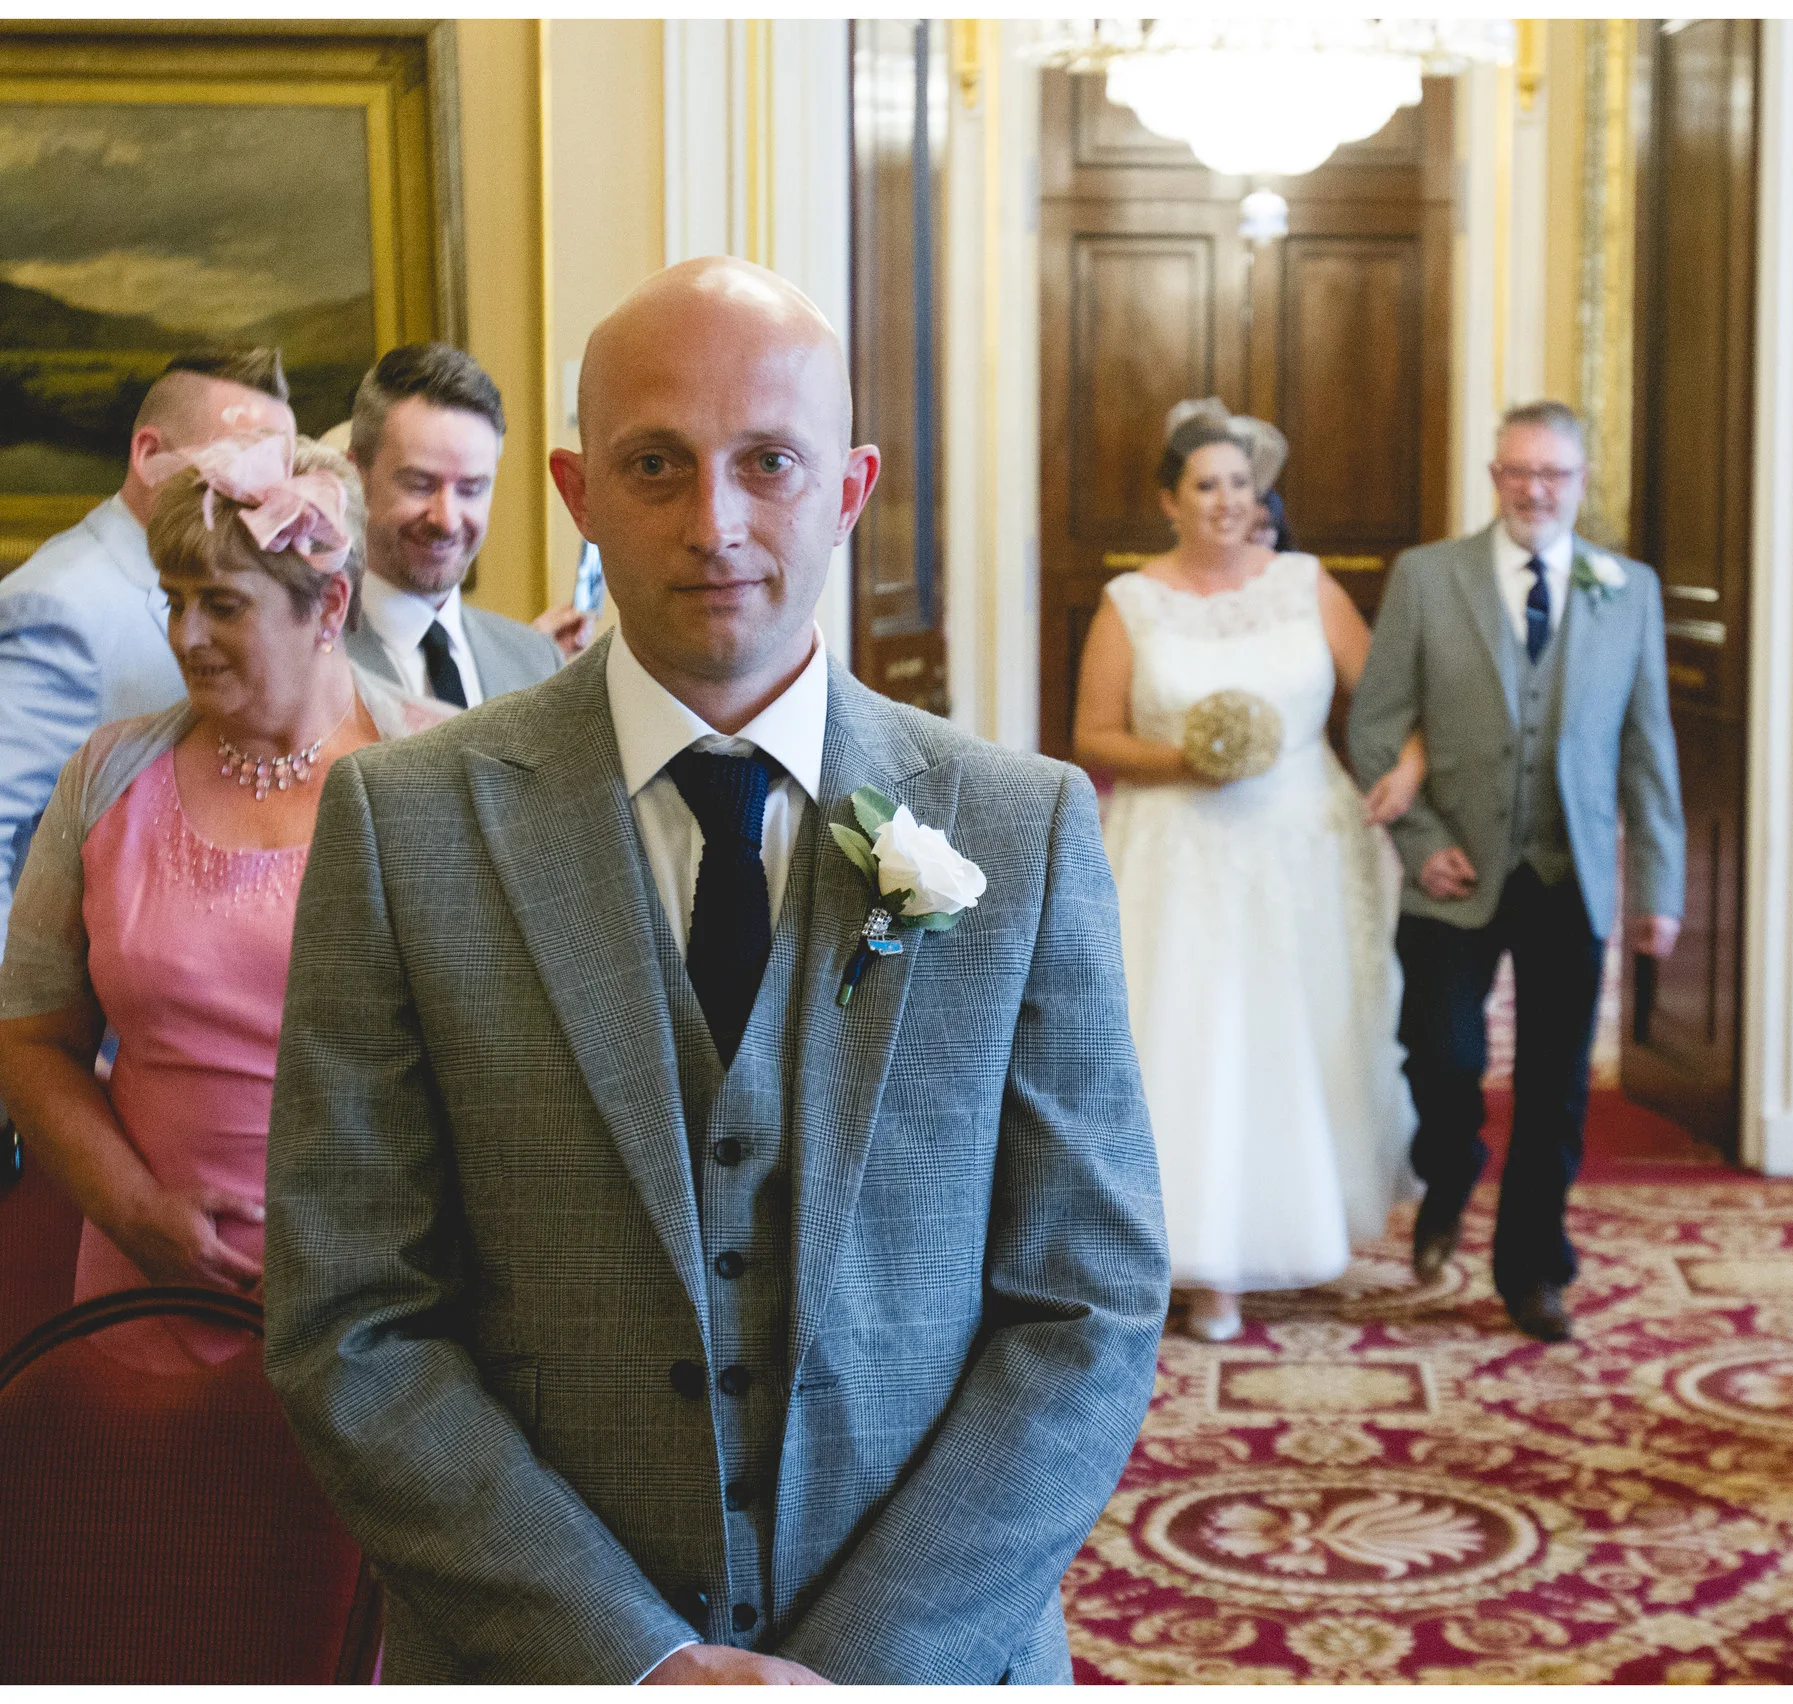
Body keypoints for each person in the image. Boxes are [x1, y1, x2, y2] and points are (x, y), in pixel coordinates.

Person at [260, 257, 1166, 1684]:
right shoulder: (406, 826)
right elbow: (351, 1317)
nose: (718, 522)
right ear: (576, 492)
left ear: (853, 487)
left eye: (771, 463)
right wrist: (637, 1660)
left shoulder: (1016, 826)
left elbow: (1086, 1305)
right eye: (657, 465)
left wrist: (865, 1664)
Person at [0, 435, 446, 1370]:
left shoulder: (439, 772)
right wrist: (135, 1213)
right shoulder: (106, 778)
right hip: (147, 1293)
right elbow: (30, 1037)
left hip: (389, 1314)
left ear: (328, 606)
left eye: (223, 605)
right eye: (174, 601)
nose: (185, 637)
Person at [1074, 405, 1423, 1344]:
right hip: (1178, 848)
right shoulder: (1132, 603)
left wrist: (1412, 762)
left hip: (1301, 848)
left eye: (1240, 482)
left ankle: (1297, 1225)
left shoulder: (1308, 586)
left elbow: (1386, 698)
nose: (1228, 500)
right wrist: (1191, 760)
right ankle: (1201, 1260)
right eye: (1206, 485)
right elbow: (1093, 735)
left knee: (1297, 1034)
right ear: (1170, 502)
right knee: (1190, 1036)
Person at [1348, 401, 1684, 1344]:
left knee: (1557, 1087)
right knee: (1444, 1057)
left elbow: (1648, 751)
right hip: (1451, 871)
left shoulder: (1631, 591)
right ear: (1493, 476)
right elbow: (1375, 724)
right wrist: (1420, 841)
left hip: (1568, 873)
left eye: (1555, 474)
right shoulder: (1427, 578)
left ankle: (1533, 1267)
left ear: (1582, 482)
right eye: (1518, 472)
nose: (1536, 490)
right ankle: (1449, 1168)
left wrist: (1659, 890)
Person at [0, 350, 294, 957]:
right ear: (147, 455)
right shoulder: (64, 608)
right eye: (236, 464)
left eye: (276, 473)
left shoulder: (245, 598)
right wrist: (29, 1032)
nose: (260, 495)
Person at [341, 342, 591, 706]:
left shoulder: (535, 661)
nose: (447, 519)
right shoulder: (304, 661)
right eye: (420, 484)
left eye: (471, 489)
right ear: (356, 475)